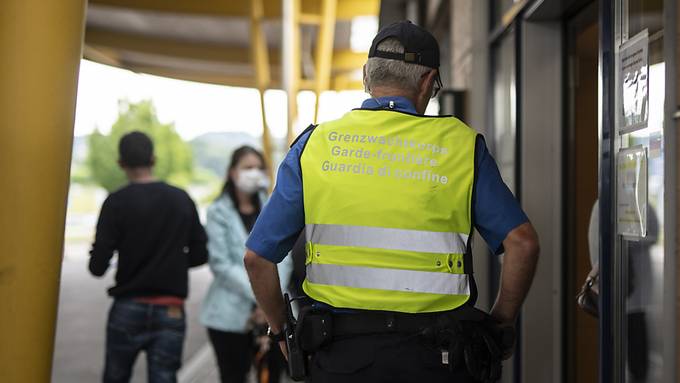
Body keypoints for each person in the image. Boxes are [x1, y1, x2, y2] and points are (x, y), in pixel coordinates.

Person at [243, 20, 540, 383]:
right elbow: (522, 244)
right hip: (439, 360)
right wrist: (501, 322)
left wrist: (280, 330)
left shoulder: (314, 145)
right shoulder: (461, 147)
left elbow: (257, 258)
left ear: (367, 76)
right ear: (429, 82)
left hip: (339, 358)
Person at [89, 131, 208, 383]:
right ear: (153, 159)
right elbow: (201, 253)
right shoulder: (181, 199)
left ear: (120, 163)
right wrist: (171, 264)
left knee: (115, 377)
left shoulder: (115, 202)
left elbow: (97, 266)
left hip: (126, 308)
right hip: (171, 309)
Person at [199, 146, 293, 383]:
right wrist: (261, 296)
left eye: (258, 168)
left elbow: (285, 258)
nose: (254, 172)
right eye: (247, 168)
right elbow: (221, 265)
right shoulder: (218, 211)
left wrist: (269, 300)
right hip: (229, 315)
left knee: (272, 375)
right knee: (233, 376)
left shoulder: (273, 206)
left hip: (272, 315)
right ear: (232, 172)